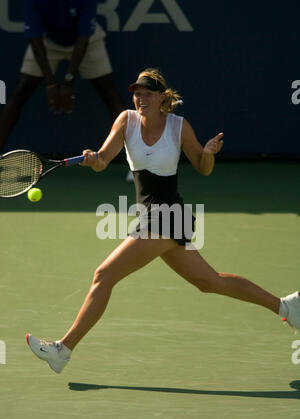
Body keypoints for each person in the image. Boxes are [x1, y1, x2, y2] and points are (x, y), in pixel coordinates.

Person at [25, 68, 300, 374]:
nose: (140, 98)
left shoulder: (179, 127)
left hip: (167, 215)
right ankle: (286, 307)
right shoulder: (125, 121)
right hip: (151, 215)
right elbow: (103, 160)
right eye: (136, 93)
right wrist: (93, 158)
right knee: (210, 282)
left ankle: (63, 349)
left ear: (160, 97)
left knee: (104, 275)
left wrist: (208, 153)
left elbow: (203, 167)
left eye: (147, 93)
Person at [0, 0, 126, 152]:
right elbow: (35, 37)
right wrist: (51, 84)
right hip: (46, 42)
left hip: (87, 41)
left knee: (109, 92)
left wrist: (68, 80)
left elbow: (83, 37)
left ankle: (138, 160)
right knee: (20, 91)